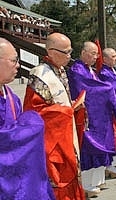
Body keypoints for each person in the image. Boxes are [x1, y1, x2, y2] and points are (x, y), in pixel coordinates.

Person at [23, 33, 85, 199]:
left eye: (70, 51)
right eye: (66, 52)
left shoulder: (61, 70)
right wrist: (65, 112)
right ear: (50, 52)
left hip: (65, 134)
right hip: (52, 142)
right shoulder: (39, 75)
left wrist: (74, 106)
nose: (69, 56)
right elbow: (34, 114)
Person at [0, 38, 55, 199]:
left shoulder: (11, 96)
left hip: (14, 175)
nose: (18, 65)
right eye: (13, 60)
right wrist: (32, 123)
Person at [67, 41, 115, 197]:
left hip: (99, 115)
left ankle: (97, 180)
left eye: (97, 54)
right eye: (93, 53)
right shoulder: (77, 70)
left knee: (100, 145)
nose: (96, 57)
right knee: (89, 147)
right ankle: (87, 184)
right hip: (88, 116)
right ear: (82, 53)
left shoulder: (90, 70)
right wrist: (108, 89)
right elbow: (88, 89)